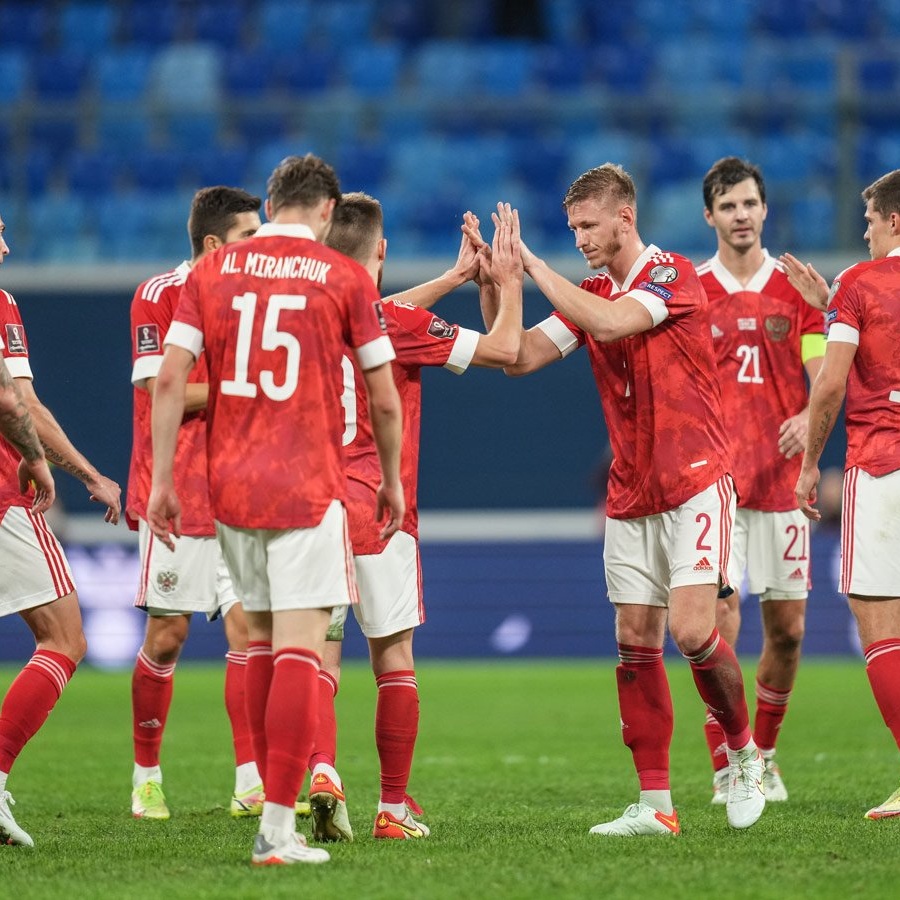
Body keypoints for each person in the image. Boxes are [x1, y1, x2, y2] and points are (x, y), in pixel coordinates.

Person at [467, 163, 766, 836]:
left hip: (695, 482)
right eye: (572, 228)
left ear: (624, 219)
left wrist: (534, 264)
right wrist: (497, 284)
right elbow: (518, 356)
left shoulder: (672, 276)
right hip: (632, 493)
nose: (578, 239)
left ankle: (742, 752)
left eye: (587, 226)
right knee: (634, 640)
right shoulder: (593, 290)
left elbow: (608, 325)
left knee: (693, 632)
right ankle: (656, 805)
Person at [147, 154, 404, 866]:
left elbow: (169, 379)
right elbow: (383, 396)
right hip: (306, 485)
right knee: (299, 648)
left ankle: (260, 795)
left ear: (270, 203)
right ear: (326, 211)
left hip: (230, 488)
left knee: (255, 643)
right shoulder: (343, 276)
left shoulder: (212, 271)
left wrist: (163, 480)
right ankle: (277, 829)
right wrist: (390, 480)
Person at [306, 193, 522, 843]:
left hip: (312, 511)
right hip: (380, 508)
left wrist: (453, 278)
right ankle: (393, 808)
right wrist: (506, 280)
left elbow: (380, 310)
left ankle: (323, 770)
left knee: (319, 655)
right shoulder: (395, 324)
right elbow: (506, 348)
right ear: (382, 250)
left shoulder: (305, 314)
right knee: (393, 659)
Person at [126, 186, 268, 821]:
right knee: (167, 636)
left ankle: (250, 781)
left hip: (241, 490)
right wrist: (241, 385)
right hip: (177, 494)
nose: (258, 245)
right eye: (247, 236)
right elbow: (164, 389)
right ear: (214, 244)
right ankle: (146, 777)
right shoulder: (159, 294)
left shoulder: (256, 298)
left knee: (248, 631)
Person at [697, 157, 826, 804]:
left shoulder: (795, 288)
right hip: (716, 488)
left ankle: (766, 757)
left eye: (749, 203)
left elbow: (822, 372)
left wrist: (808, 414)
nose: (741, 215)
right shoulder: (693, 291)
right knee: (718, 628)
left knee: (789, 630)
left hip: (783, 486)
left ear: (765, 209)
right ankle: (730, 762)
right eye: (728, 206)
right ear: (709, 216)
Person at [0, 208, 121, 847]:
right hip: (3, 497)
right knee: (64, 639)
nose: (5, 246)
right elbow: (17, 401)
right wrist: (78, 472)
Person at [795, 168, 900, 820]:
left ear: (895, 220)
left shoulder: (861, 284)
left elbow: (830, 382)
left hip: (882, 465)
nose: (865, 233)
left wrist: (810, 464)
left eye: (869, 221)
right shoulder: (851, 288)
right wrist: (826, 304)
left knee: (879, 620)